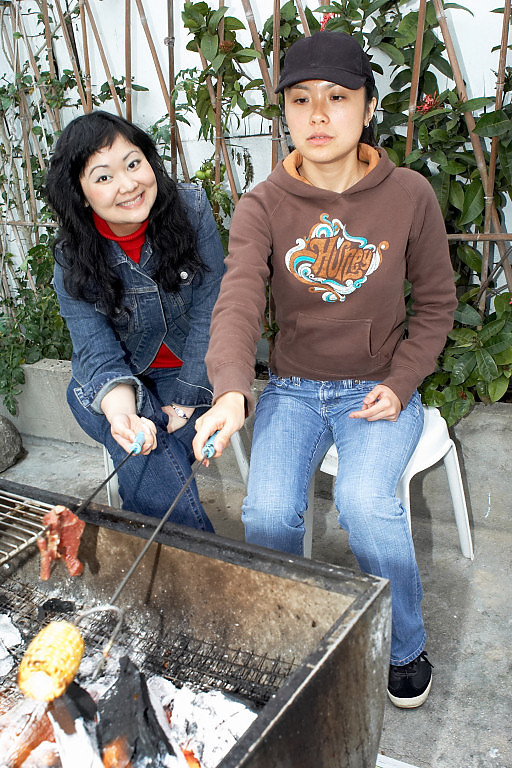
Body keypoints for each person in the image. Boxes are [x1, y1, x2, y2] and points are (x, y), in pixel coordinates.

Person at [193, 31, 457, 708]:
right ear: (283, 110)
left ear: (367, 107)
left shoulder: (409, 195)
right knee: (268, 512)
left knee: (365, 505)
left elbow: (436, 305)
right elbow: (239, 298)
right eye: (300, 99)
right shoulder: (263, 204)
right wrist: (230, 391)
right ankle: (288, 640)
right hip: (293, 389)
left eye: (337, 97)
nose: (317, 114)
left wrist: (400, 383)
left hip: (378, 387)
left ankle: (405, 648)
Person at [46, 110, 225, 530]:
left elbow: (213, 312)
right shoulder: (72, 256)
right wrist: (124, 414)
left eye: (133, 163)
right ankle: (204, 561)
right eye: (104, 176)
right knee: (136, 439)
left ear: (149, 161)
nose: (128, 185)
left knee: (145, 458)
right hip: (112, 384)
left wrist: (184, 403)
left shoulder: (191, 210)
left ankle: (167, 551)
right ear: (81, 194)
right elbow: (95, 350)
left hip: (193, 372)